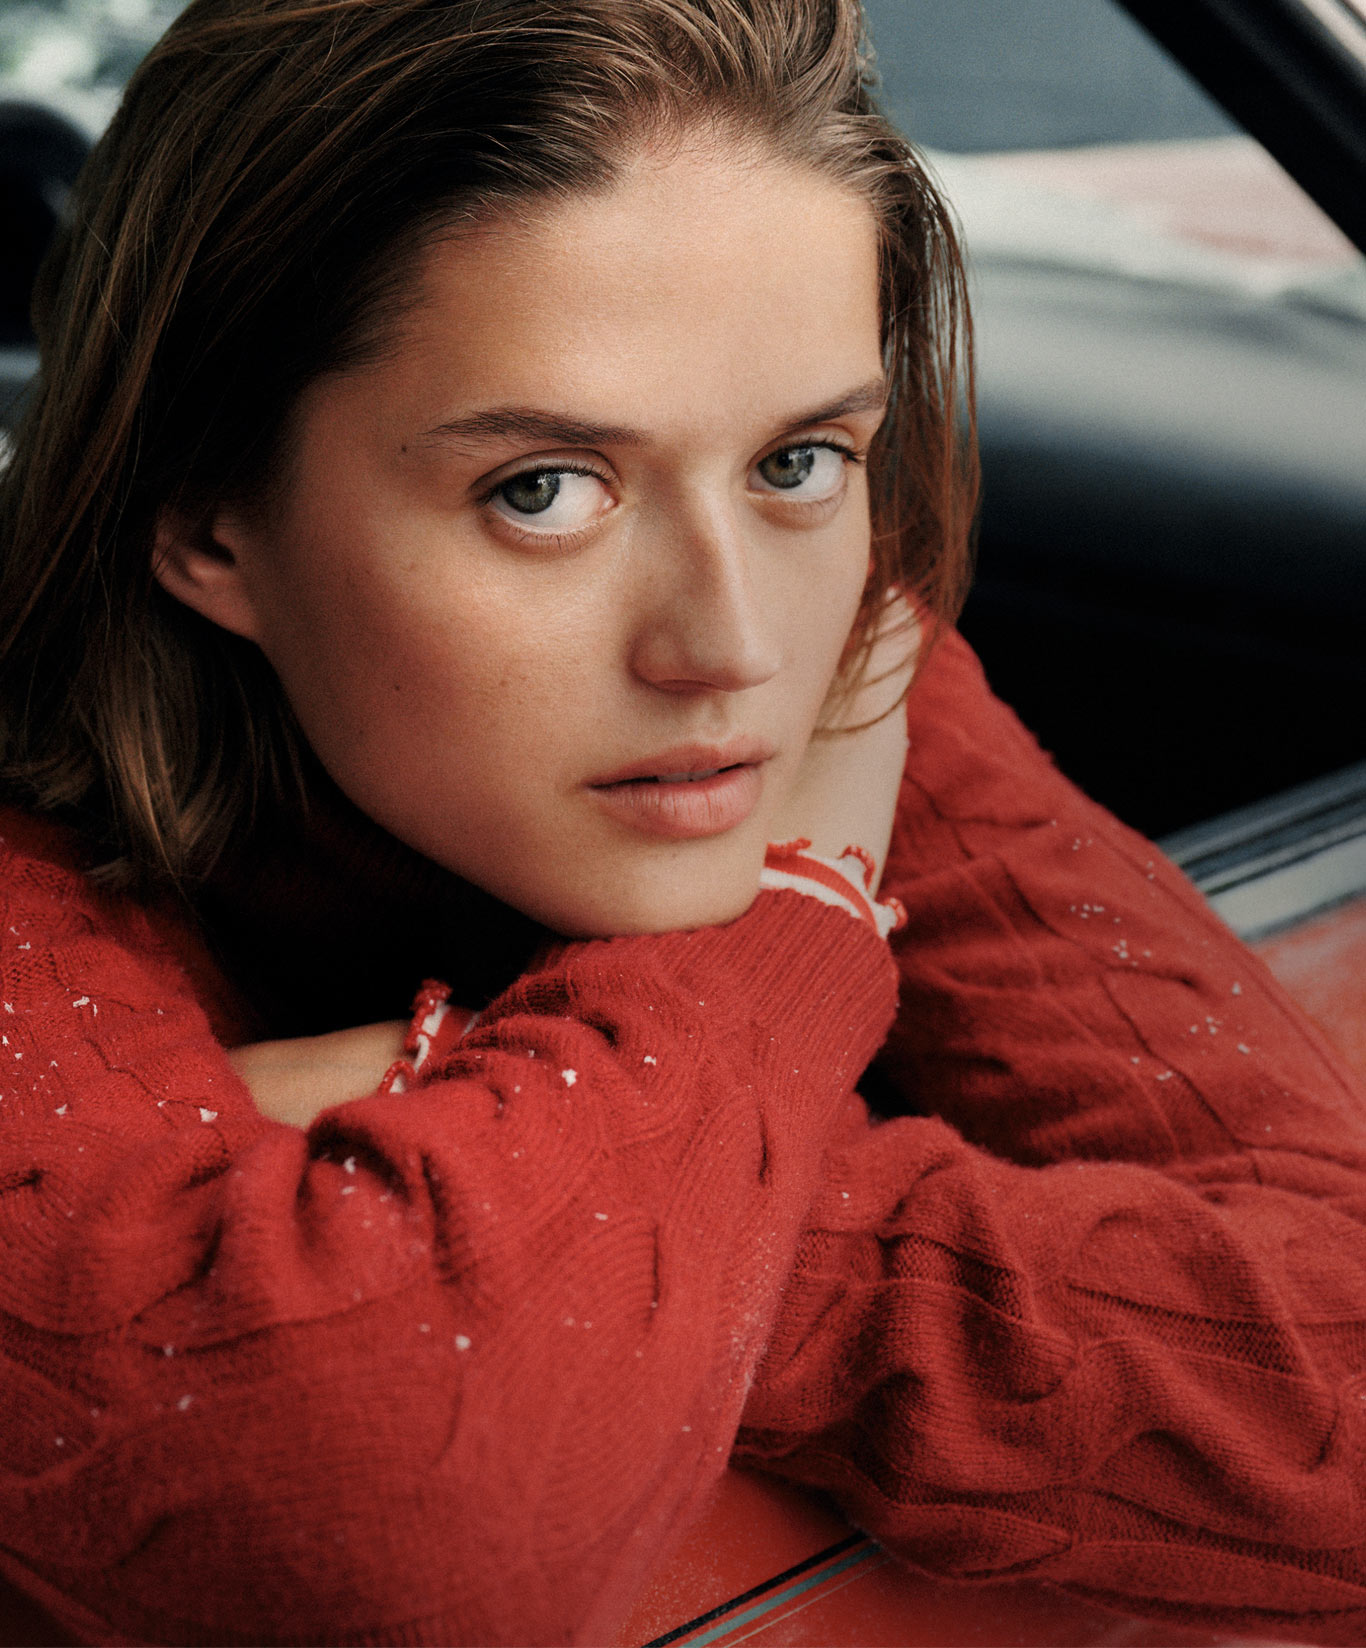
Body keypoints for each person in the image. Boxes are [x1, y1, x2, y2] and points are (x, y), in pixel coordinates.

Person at [1, 0, 1365, 1643]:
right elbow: (373, 1516)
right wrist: (797, 915)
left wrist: (429, 1110)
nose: (727, 646)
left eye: (799, 460)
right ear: (208, 523)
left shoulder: (839, 673)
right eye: (542, 490)